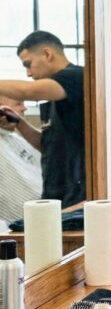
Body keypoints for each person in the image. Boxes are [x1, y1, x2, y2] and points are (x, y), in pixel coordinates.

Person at [0, 31, 85, 207]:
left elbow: (26, 91)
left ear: (47, 54)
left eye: (28, 64)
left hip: (76, 195)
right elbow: (48, 145)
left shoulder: (77, 77)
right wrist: (19, 123)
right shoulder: (56, 95)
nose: (28, 73)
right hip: (54, 193)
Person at [0, 95, 43, 229]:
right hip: (19, 227)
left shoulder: (18, 138)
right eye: (19, 103)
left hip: (48, 215)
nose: (24, 108)